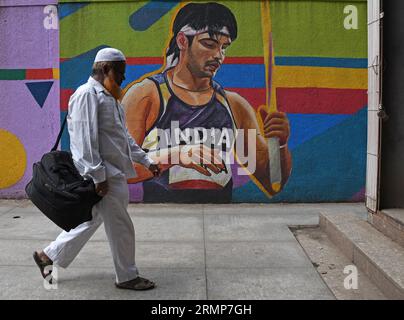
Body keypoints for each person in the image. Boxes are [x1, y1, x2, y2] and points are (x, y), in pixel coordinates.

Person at [122, 2, 292, 203]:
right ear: (183, 41)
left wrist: (279, 146)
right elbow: (120, 168)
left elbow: (272, 183)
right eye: (209, 44)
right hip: (163, 221)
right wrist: (178, 154)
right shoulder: (146, 95)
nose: (218, 56)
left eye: (224, 47)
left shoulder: (234, 105)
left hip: (222, 221)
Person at [33, 48, 161, 290]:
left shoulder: (108, 98)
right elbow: (84, 140)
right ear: (105, 69)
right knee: (121, 225)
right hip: (105, 176)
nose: (123, 78)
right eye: (120, 72)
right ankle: (127, 276)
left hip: (111, 173)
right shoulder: (87, 95)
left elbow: (122, 138)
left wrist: (147, 161)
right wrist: (98, 177)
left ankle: (48, 256)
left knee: (91, 219)